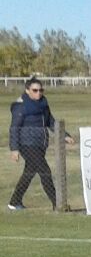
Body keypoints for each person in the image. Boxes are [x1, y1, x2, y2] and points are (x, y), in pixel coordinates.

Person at [8, 77, 71, 210]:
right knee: (45, 171)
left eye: (41, 90)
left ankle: (14, 201)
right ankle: (57, 204)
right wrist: (14, 149)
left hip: (40, 144)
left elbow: (50, 122)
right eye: (35, 90)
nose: (38, 93)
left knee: (29, 173)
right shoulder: (20, 106)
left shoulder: (43, 104)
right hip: (26, 144)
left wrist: (64, 135)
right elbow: (14, 128)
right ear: (27, 90)